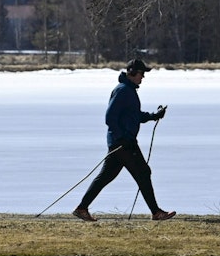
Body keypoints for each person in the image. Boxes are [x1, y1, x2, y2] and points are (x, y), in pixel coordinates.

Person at [73, 58, 176, 222]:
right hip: (123, 143)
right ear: (132, 73)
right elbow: (109, 117)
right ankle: (156, 212)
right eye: (142, 74)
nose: (143, 77)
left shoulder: (128, 90)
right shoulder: (123, 91)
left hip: (120, 142)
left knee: (106, 176)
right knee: (143, 172)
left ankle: (81, 208)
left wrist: (153, 116)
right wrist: (122, 138)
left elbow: (134, 116)